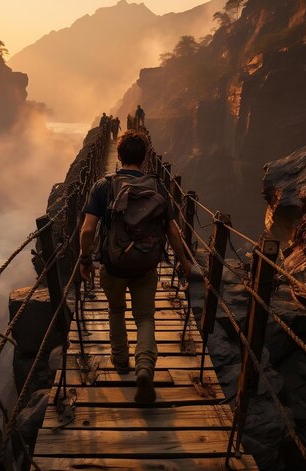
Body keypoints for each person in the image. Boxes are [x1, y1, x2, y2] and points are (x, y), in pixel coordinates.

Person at [79, 131, 192, 403]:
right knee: (145, 317)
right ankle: (144, 368)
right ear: (144, 158)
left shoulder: (103, 187)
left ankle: (120, 362)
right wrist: (185, 264)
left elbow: (87, 230)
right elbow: (174, 233)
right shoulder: (157, 188)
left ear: (118, 156)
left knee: (116, 310)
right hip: (146, 265)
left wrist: (85, 260)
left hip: (114, 265)